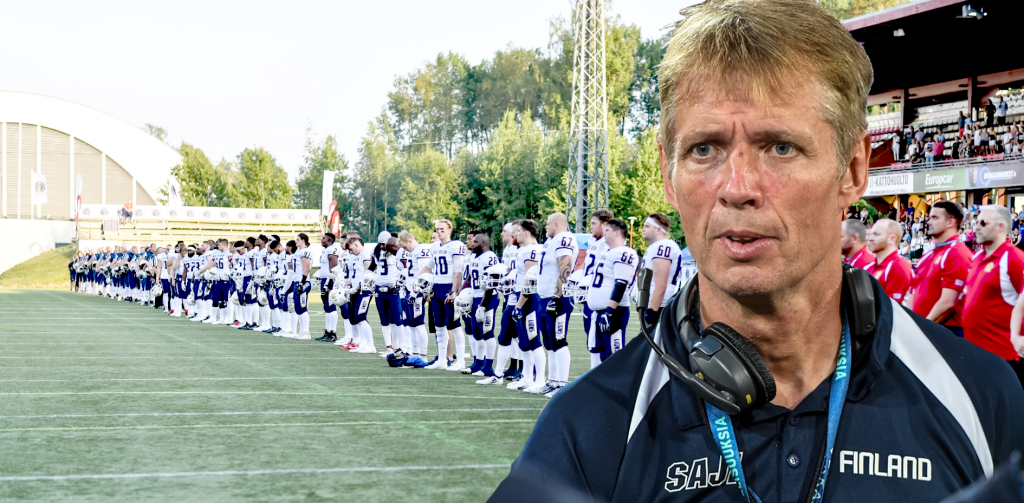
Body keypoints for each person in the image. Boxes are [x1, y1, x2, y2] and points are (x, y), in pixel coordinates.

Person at [491, 2, 1024, 501]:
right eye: (705, 149)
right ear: (669, 176)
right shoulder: (587, 426)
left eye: (780, 147)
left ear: (854, 169)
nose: (737, 187)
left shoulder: (980, 397)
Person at [963, 205, 1024, 388]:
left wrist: (1018, 337)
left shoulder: (1013, 257)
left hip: (1002, 358)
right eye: (976, 222)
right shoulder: (976, 258)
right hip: (974, 355)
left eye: (983, 223)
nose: (976, 227)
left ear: (1000, 227)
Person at [904, 201, 972, 336]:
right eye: (929, 218)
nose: (928, 222)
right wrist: (908, 324)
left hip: (944, 333)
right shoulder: (927, 256)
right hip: (923, 331)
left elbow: (948, 303)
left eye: (935, 218)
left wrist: (921, 329)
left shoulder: (957, 253)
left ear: (950, 222)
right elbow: (914, 293)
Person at [533, 212, 579, 395]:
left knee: (559, 340)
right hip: (544, 297)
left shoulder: (564, 238)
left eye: (548, 223)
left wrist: (557, 296)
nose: (545, 226)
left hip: (557, 297)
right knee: (549, 341)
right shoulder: (550, 241)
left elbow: (565, 269)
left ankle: (562, 385)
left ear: (557, 224)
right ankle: (552, 381)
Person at [585, 218, 639, 371]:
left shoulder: (624, 252)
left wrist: (609, 311)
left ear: (617, 232)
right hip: (600, 312)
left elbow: (621, 284)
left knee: (615, 357)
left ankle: (618, 386)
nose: (604, 233)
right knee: (601, 354)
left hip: (614, 312)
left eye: (607, 230)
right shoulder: (606, 251)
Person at [421, 219, 467, 370]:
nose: (439, 232)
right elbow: (428, 267)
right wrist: (416, 282)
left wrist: (454, 291)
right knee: (439, 325)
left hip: (448, 287)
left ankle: (460, 361)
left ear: (449, 230)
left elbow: (458, 272)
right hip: (436, 288)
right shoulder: (435, 247)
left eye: (442, 229)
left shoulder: (456, 246)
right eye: (437, 229)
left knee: (454, 325)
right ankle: (441, 359)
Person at [508, 219, 544, 391]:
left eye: (519, 231)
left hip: (529, 298)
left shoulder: (531, 250)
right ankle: (527, 377)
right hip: (524, 296)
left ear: (527, 233)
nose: (516, 234)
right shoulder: (525, 250)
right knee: (524, 341)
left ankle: (540, 379)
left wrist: (519, 304)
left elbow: (530, 280)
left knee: (533, 339)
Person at [637, 213, 682, 344]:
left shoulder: (662, 246)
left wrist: (652, 310)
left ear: (658, 230)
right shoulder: (657, 246)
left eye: (647, 226)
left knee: (654, 350)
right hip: (656, 305)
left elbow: (661, 285)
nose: (643, 229)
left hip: (659, 307)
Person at [580, 210, 614, 368]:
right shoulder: (593, 240)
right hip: (589, 293)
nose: (591, 226)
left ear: (605, 224)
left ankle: (601, 373)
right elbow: (587, 263)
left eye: (594, 223)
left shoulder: (607, 244)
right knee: (592, 339)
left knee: (603, 343)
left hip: (599, 295)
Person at [466, 232, 500, 378]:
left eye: (476, 242)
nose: (473, 244)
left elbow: (492, 283)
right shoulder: (474, 257)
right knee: (477, 332)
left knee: (487, 332)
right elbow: (469, 278)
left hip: (487, 298)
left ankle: (488, 366)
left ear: (484, 243)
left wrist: (483, 304)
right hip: (475, 296)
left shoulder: (490, 257)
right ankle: (478, 363)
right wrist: (460, 293)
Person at [398, 231, 432, 366]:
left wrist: (418, 291)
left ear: (410, 241)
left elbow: (425, 273)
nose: (405, 249)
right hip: (410, 291)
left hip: (417, 292)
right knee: (412, 324)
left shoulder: (421, 250)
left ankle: (423, 356)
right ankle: (415, 354)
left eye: (405, 246)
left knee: (418, 323)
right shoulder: (413, 252)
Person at [494, 223, 522, 380]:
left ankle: (523, 369)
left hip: (520, 295)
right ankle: (512, 366)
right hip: (509, 295)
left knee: (520, 334)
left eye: (505, 231)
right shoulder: (507, 250)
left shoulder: (522, 249)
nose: (502, 234)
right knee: (508, 334)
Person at [369, 231, 401, 356]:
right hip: (380, 287)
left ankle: (397, 347)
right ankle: (389, 347)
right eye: (381, 244)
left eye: (385, 244)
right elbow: (371, 267)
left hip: (393, 288)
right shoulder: (376, 251)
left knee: (397, 319)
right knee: (384, 320)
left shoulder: (397, 252)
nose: (383, 247)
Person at [865, 219, 914, 301]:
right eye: (870, 234)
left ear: (892, 239)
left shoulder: (899, 267)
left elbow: (892, 306)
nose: (870, 239)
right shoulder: (868, 267)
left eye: (876, 234)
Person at [316, 233, 341, 342]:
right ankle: (327, 331)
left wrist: (330, 281)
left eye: (324, 238)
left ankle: (332, 333)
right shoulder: (325, 249)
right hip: (324, 279)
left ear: (330, 240)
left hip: (329, 280)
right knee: (326, 306)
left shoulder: (332, 249)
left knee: (330, 305)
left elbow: (333, 266)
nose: (322, 240)